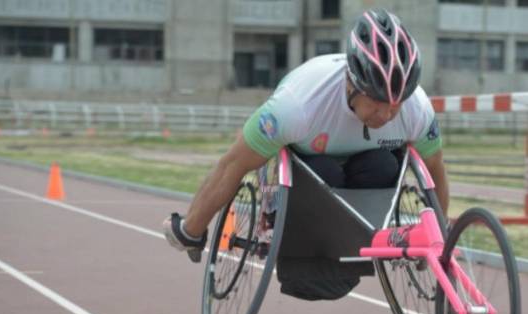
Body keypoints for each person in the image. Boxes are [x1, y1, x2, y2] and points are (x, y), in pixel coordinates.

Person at [163, 8, 449, 262]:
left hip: (369, 177)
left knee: (384, 165)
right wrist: (192, 229)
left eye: (395, 106)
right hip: (310, 170)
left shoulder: (417, 109)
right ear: (352, 83)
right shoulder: (298, 105)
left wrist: (438, 239)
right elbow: (232, 165)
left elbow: (435, 170)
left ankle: (354, 238)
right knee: (324, 173)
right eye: (377, 104)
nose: (386, 115)